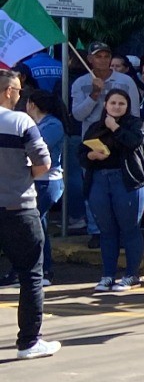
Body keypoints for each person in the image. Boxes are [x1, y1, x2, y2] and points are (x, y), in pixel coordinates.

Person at [0, 70, 56, 359]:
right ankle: (29, 342)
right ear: (9, 91)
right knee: (31, 275)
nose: (21, 96)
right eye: (19, 91)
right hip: (17, 208)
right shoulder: (21, 120)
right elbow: (43, 163)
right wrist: (20, 179)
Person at [70, 42, 139, 246]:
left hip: (119, 139)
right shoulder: (80, 82)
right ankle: (96, 230)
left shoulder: (126, 81)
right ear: (90, 59)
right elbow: (78, 114)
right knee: (93, 188)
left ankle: (119, 230)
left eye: (106, 55)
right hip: (93, 142)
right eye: (97, 56)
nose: (102, 59)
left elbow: (134, 113)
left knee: (119, 188)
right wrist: (94, 94)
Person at [82, 88, 144, 292]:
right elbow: (81, 153)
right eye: (113, 103)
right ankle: (108, 275)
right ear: (106, 105)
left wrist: (115, 128)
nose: (117, 107)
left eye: (121, 104)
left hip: (126, 181)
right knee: (107, 231)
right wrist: (90, 157)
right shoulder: (95, 127)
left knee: (129, 229)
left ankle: (131, 274)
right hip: (100, 181)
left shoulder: (136, 124)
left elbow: (133, 142)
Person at [23, 91, 65, 287]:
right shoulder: (34, 123)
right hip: (34, 179)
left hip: (49, 181)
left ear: (32, 104)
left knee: (34, 225)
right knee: (39, 225)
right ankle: (37, 269)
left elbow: (36, 148)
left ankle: (43, 270)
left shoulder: (53, 124)